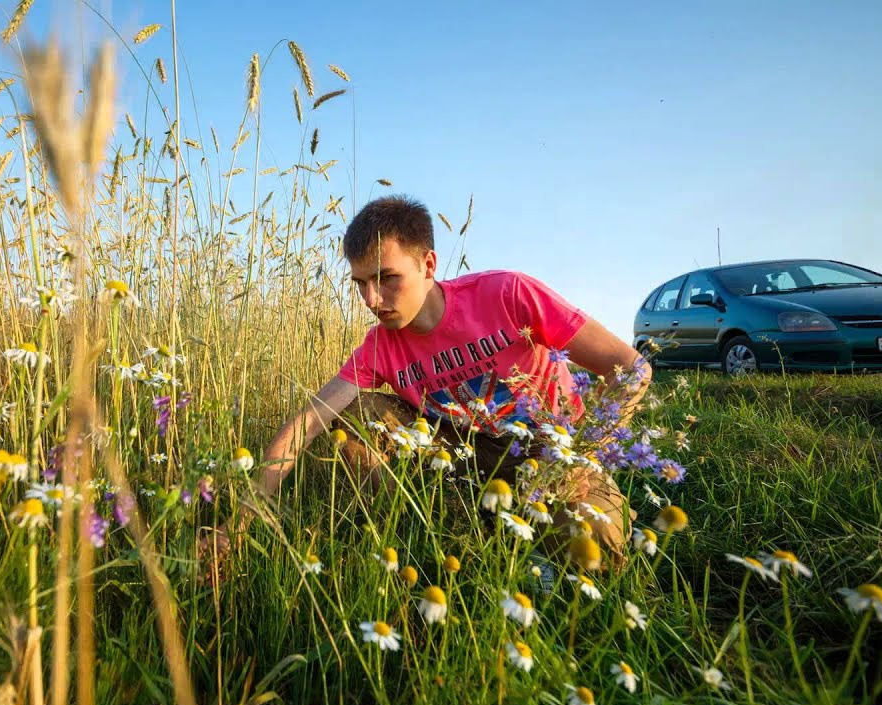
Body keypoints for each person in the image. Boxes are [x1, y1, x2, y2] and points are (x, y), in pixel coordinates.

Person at [213, 195, 650, 572]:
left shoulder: (507, 294)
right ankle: (445, 534)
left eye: (386, 278)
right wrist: (237, 527)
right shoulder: (379, 346)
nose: (371, 300)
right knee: (360, 414)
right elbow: (306, 423)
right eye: (360, 283)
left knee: (597, 547)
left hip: (548, 447)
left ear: (428, 265)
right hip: (460, 457)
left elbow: (631, 369)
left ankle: (565, 519)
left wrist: (577, 457)